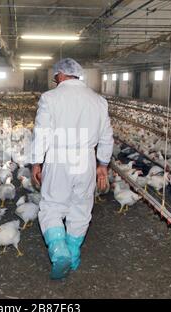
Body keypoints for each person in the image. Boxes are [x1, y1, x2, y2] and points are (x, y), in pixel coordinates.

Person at [30, 58, 114, 280]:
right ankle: (73, 254)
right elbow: (107, 136)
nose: (55, 80)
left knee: (52, 206)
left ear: (60, 75)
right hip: (86, 159)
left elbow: (42, 133)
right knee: (81, 207)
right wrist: (102, 165)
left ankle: (59, 253)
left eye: (55, 77)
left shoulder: (50, 98)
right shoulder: (98, 101)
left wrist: (36, 162)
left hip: (59, 158)